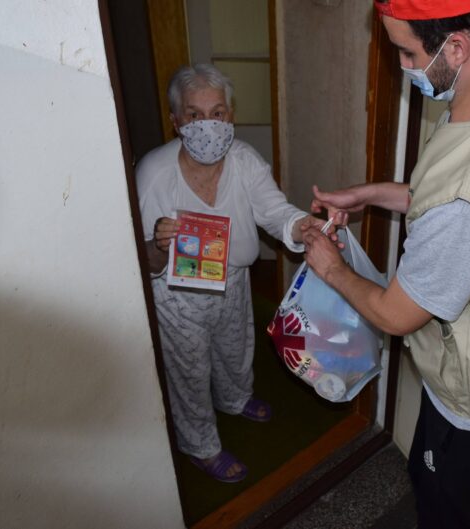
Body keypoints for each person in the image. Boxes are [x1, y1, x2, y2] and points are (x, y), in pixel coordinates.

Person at [302, 0, 470, 527]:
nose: (402, 66)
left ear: (457, 47)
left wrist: (330, 267)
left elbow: (397, 315)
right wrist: (371, 194)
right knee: (428, 485)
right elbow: (440, 194)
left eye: (406, 51)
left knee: (448, 516)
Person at [136, 63, 328, 483]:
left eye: (217, 112)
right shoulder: (153, 173)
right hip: (176, 293)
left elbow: (274, 211)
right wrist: (158, 245)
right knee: (188, 371)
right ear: (175, 121)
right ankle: (200, 446)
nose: (208, 124)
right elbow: (143, 263)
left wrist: (301, 226)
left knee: (235, 349)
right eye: (194, 114)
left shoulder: (244, 160)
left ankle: (235, 398)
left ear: (230, 116)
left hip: (233, 282)